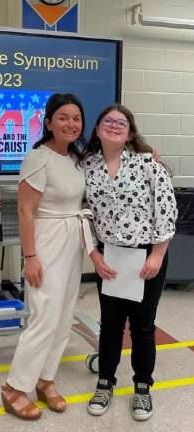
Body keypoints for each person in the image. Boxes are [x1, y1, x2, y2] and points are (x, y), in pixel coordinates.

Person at [1, 93, 95, 420]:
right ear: (48, 123)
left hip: (74, 240)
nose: (71, 124)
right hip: (47, 240)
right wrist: (30, 257)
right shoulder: (37, 158)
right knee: (43, 315)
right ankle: (14, 387)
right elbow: (25, 211)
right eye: (63, 118)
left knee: (63, 313)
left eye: (76, 118)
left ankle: (45, 379)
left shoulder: (77, 157)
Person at [84, 103, 177, 421]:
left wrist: (158, 255)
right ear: (97, 130)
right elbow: (83, 214)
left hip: (146, 256)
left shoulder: (148, 163)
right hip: (108, 257)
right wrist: (92, 253)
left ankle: (142, 389)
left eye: (120, 122)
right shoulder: (88, 166)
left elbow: (167, 209)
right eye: (106, 121)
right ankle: (105, 382)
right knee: (109, 325)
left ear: (130, 132)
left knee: (142, 326)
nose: (112, 125)